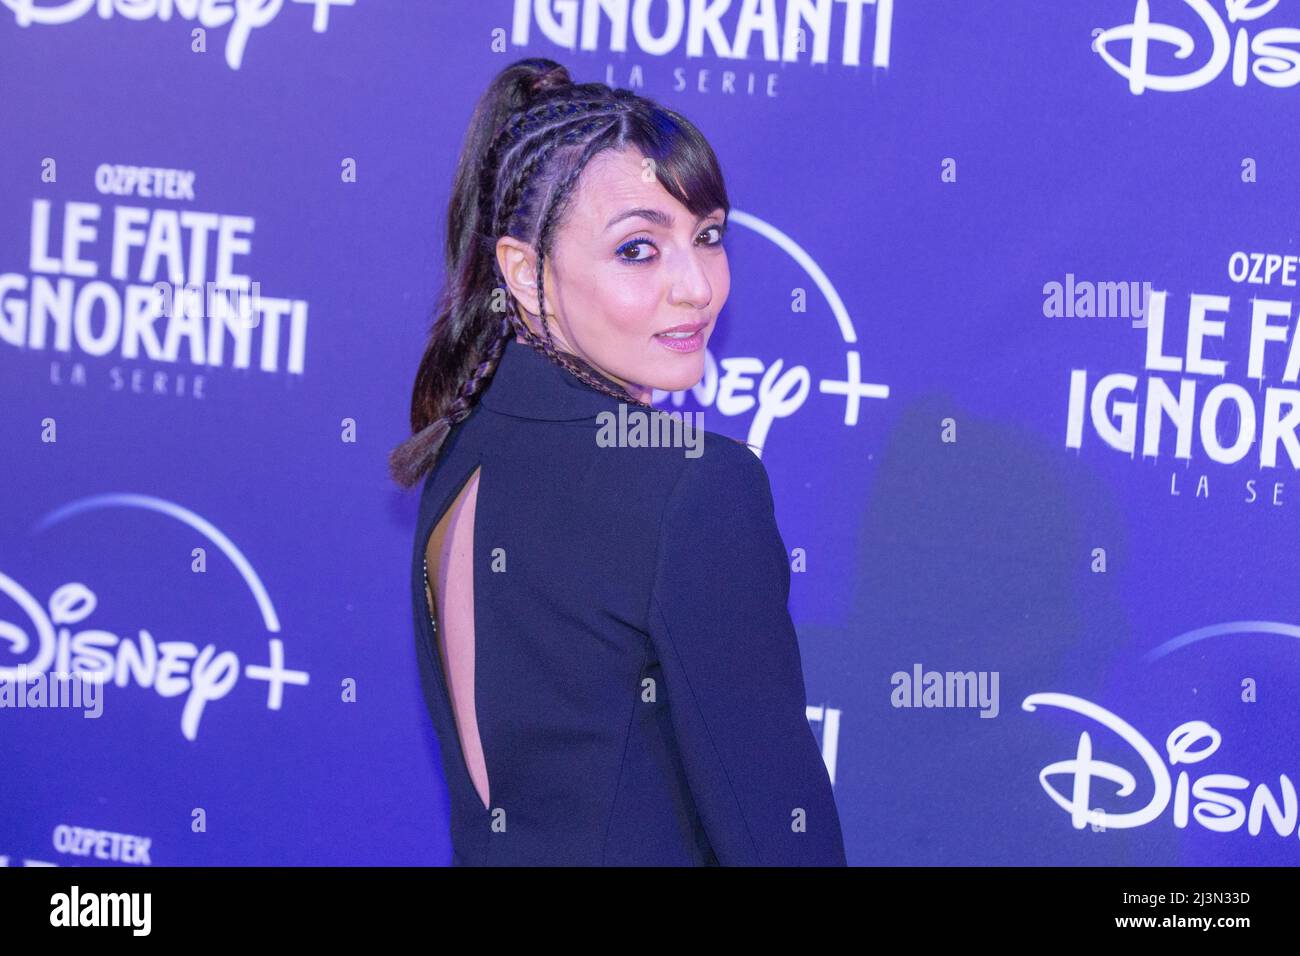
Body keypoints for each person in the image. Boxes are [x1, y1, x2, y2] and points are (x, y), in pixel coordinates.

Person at [388, 57, 846, 866]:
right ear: (524, 273)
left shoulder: (460, 443)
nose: (696, 287)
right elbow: (778, 836)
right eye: (638, 249)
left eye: (707, 237)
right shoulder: (695, 485)